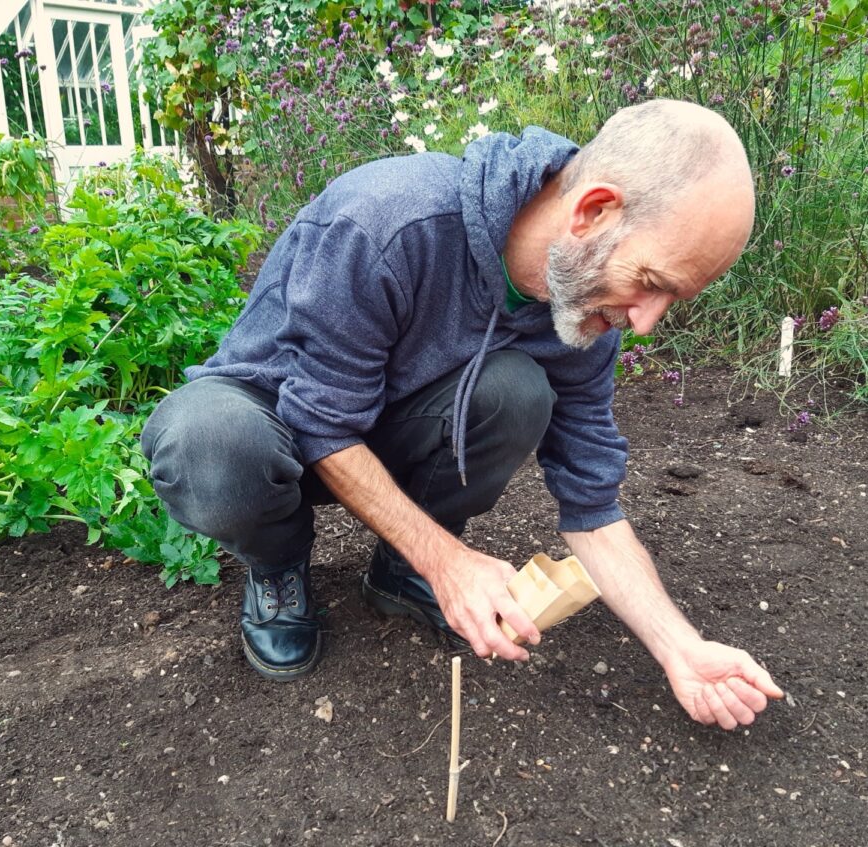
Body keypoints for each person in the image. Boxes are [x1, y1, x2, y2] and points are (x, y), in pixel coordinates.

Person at [142, 98, 784, 730]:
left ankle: (399, 572)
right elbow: (321, 421)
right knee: (211, 443)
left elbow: (591, 500)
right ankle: (278, 564)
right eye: (652, 281)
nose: (647, 320)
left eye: (672, 297)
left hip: (385, 434)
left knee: (518, 390)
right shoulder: (390, 220)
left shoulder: (586, 306)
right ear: (593, 211)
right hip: (279, 418)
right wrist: (448, 563)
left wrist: (680, 646)